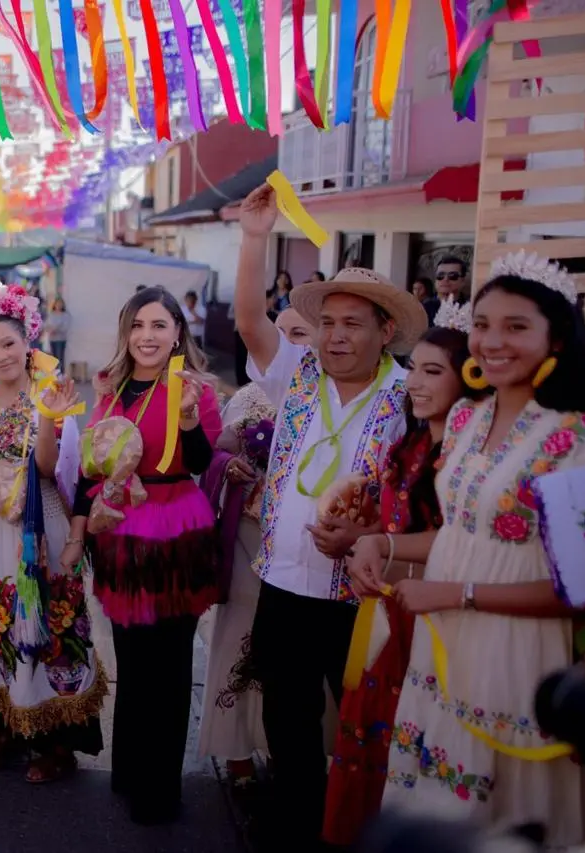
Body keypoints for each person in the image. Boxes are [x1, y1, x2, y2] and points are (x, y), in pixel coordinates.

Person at [349, 253, 585, 847]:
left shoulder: (576, 437)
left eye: (516, 326)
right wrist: (381, 542)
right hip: (442, 649)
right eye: (483, 324)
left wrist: (454, 592)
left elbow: (578, 591)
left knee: (496, 824)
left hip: (512, 656)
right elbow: (459, 531)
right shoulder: (463, 419)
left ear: (555, 336)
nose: (493, 341)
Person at [232, 182, 428, 848]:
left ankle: (353, 831)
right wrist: (255, 238)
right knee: (287, 720)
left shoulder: (409, 396)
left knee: (362, 721)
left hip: (361, 597)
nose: (337, 334)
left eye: (354, 323)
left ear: (385, 331)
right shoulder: (297, 375)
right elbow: (252, 322)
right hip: (285, 584)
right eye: (329, 322)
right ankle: (297, 822)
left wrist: (373, 533)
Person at [323, 314, 486, 848]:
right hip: (388, 611)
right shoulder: (411, 448)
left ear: (471, 379)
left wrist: (379, 544)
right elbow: (390, 529)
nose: (415, 382)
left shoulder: (469, 463)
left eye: (434, 371)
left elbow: (454, 539)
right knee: (374, 738)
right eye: (414, 368)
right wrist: (358, 534)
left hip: (436, 620)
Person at [66, 286, 222, 825]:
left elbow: (202, 460)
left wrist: (186, 418)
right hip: (120, 532)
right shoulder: (109, 389)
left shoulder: (193, 390)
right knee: (131, 661)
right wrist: (81, 531)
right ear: (125, 333)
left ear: (179, 332)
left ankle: (161, 787)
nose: (147, 337)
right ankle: (129, 770)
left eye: (159, 325)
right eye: (138, 326)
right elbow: (92, 467)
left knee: (169, 667)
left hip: (175, 530)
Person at [0, 279, 101, 783]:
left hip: (35, 534)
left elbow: (52, 469)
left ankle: (54, 743)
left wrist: (49, 418)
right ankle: (3, 726)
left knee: (44, 626)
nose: (0, 356)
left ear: (28, 340)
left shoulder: (49, 398)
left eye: (8, 343)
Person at [196, 307, 321, 787]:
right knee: (238, 640)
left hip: (303, 545)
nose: (286, 341)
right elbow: (215, 452)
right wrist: (227, 467)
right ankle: (235, 749)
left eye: (299, 332)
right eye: (280, 331)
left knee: (292, 655)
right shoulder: (247, 395)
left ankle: (285, 749)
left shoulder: (323, 398)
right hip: (249, 540)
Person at [44, 297, 72, 371]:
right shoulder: (51, 314)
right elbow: (46, 325)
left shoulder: (65, 315)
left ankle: (61, 374)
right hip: (52, 339)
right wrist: (49, 329)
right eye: (57, 304)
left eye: (60, 304)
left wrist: (55, 329)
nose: (59, 305)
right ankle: (55, 375)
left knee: (60, 357)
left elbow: (65, 327)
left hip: (60, 339)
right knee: (53, 358)